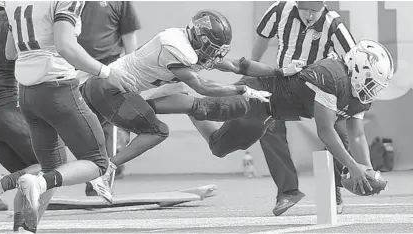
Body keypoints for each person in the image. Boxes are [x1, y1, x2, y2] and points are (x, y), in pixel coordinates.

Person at [147, 40, 394, 201]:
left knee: (219, 147)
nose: (372, 89)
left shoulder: (357, 93)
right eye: (371, 81)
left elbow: (358, 135)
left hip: (270, 112)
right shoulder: (332, 76)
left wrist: (368, 171)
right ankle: (145, 106)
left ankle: (183, 96)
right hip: (259, 91)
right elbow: (326, 131)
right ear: (357, 69)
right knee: (212, 109)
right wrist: (353, 168)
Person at [78, 10, 290, 186]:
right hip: (110, 90)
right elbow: (203, 86)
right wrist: (242, 90)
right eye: (211, 48)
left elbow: (239, 65)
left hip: (108, 88)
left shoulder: (191, 44)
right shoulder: (177, 48)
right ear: (199, 39)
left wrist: (279, 72)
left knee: (176, 90)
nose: (214, 55)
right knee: (158, 131)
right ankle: (105, 172)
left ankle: (57, 176)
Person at [3, 1, 138, 232]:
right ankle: (38, 182)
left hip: (27, 93)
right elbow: (65, 45)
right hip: (57, 88)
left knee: (51, 167)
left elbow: (10, 52)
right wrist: (106, 72)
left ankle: (24, 229)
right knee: (98, 163)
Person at [251, 1, 356, 215]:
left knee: (340, 133)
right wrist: (252, 69)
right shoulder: (279, 10)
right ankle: (288, 191)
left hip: (318, 88)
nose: (309, 15)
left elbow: (353, 60)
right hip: (283, 83)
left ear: (323, 6)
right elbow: (262, 39)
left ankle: (333, 190)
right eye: (304, 9)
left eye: (314, 11)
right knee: (266, 125)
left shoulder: (334, 24)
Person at [0, 1, 42, 219]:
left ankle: (23, 224)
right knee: (53, 166)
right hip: (4, 107)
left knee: (28, 173)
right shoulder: (11, 21)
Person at [77, 1, 141, 196]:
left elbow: (129, 38)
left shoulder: (120, 2)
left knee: (107, 124)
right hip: (75, 66)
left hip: (110, 68)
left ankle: (100, 180)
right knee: (80, 124)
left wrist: (132, 72)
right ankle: (95, 170)